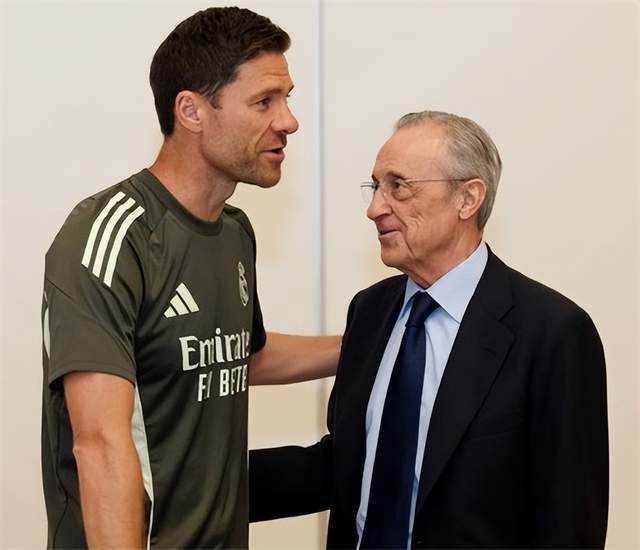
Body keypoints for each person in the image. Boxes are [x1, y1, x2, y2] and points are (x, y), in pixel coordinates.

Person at [41, 7, 339, 549]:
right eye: (264, 101)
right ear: (192, 111)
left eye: (287, 99)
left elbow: (238, 356)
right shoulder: (112, 236)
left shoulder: (235, 231)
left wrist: (371, 340)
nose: (289, 121)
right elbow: (100, 443)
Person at [250, 111, 609, 548]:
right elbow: (348, 464)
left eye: (399, 186)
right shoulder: (370, 311)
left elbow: (569, 522)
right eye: (376, 187)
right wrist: (199, 482)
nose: (374, 208)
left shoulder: (552, 333)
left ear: (468, 199)